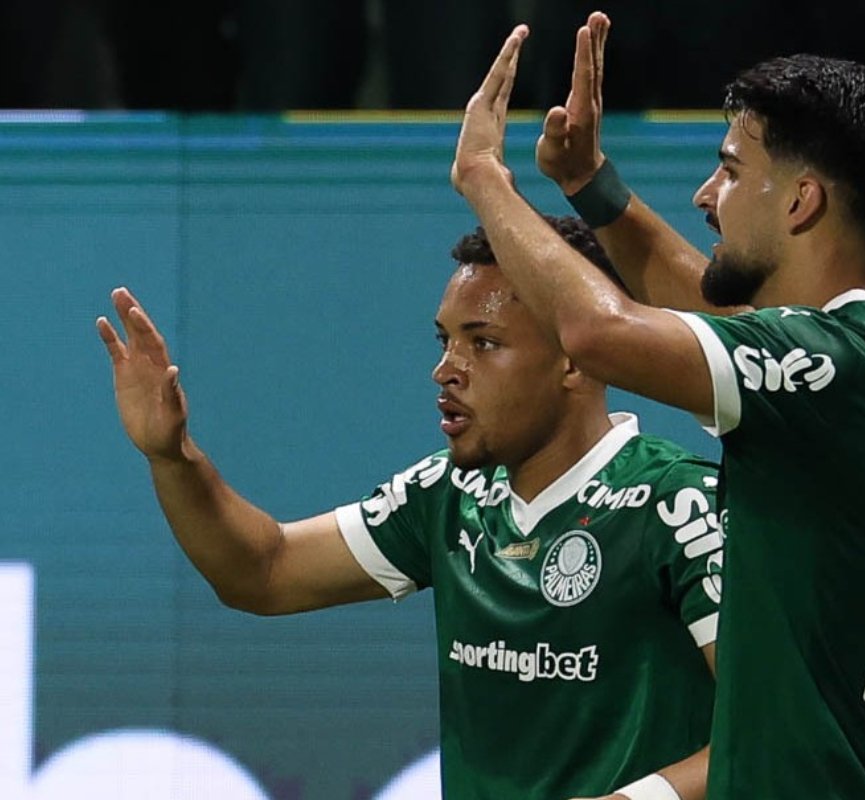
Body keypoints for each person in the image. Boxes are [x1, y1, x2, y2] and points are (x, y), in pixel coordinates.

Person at [450, 15, 865, 799]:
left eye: (730, 171)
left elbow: (599, 332)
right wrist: (590, 184)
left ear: (800, 201)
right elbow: (706, 313)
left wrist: (486, 180)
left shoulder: (837, 370)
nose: (705, 195)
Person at [95, 216, 721, 800]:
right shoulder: (447, 496)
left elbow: (780, 730)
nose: (445, 370)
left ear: (577, 358)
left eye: (484, 343)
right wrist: (173, 457)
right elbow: (262, 572)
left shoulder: (678, 505)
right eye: (445, 340)